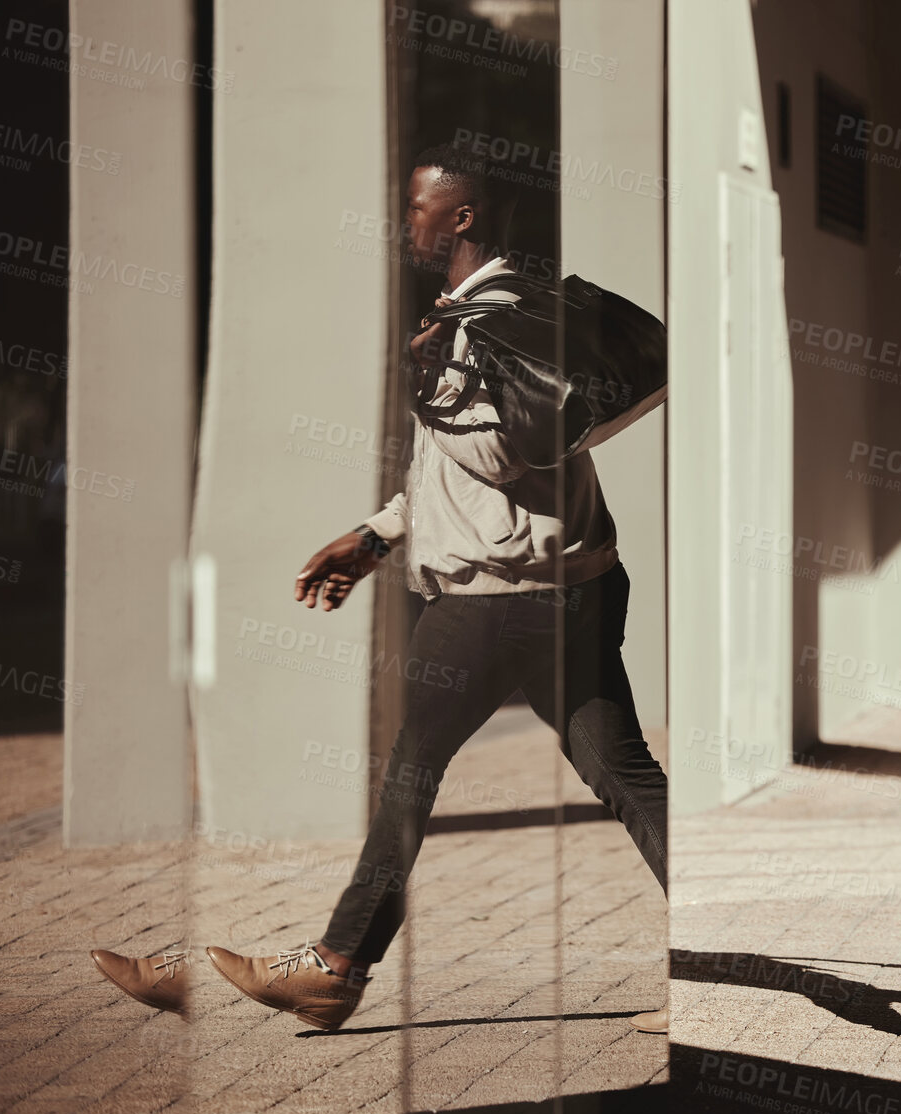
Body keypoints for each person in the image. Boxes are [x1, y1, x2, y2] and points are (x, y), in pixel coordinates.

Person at [90, 144, 670, 1035]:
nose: (408, 222)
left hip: (499, 597)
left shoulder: (497, 319)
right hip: (564, 585)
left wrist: (427, 381)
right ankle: (711, 916)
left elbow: (509, 454)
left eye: (418, 207)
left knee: (409, 775)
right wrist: (376, 535)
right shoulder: (488, 317)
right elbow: (462, 469)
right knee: (622, 772)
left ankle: (334, 965)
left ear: (462, 217)